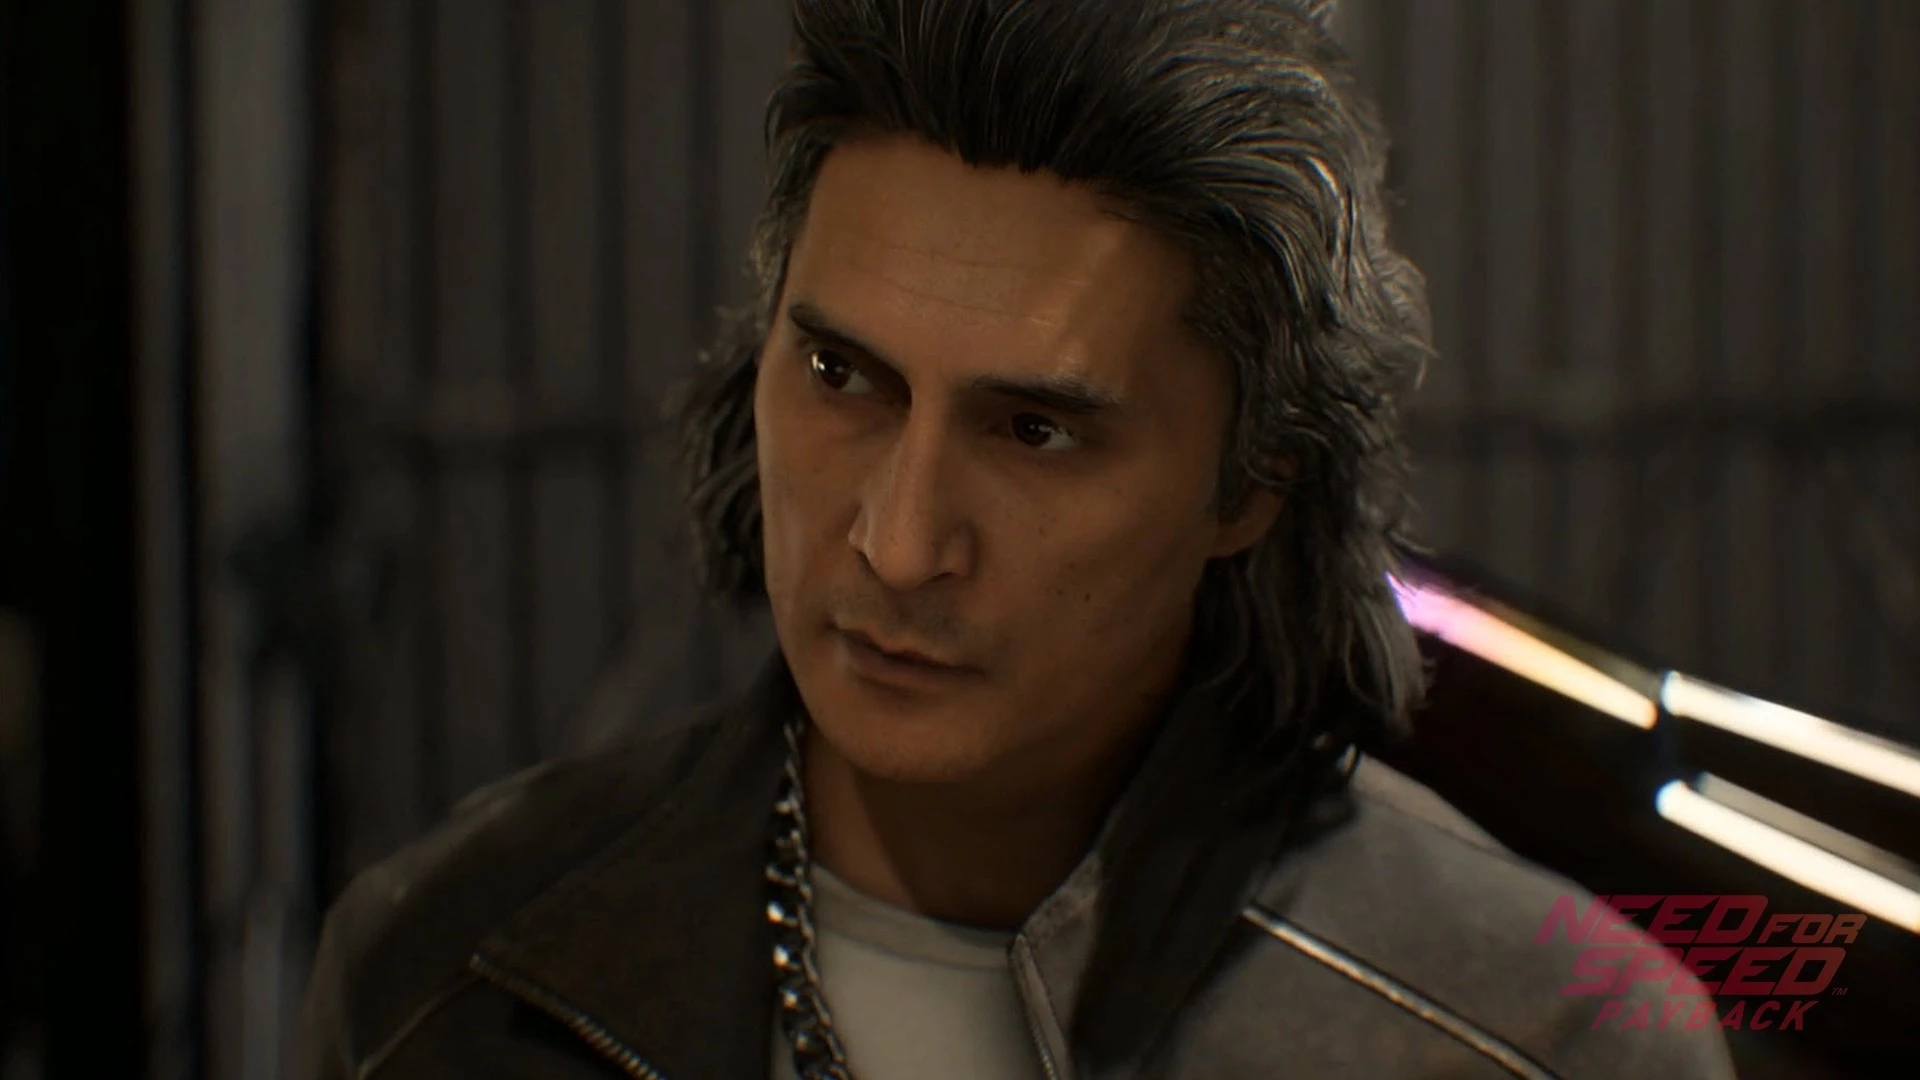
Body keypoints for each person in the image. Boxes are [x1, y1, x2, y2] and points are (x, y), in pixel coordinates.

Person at [299, 1, 1737, 1077]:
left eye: (1036, 430)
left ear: (1253, 485)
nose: (899, 541)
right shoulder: (444, 963)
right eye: (841, 376)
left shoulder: (1546, 1037)